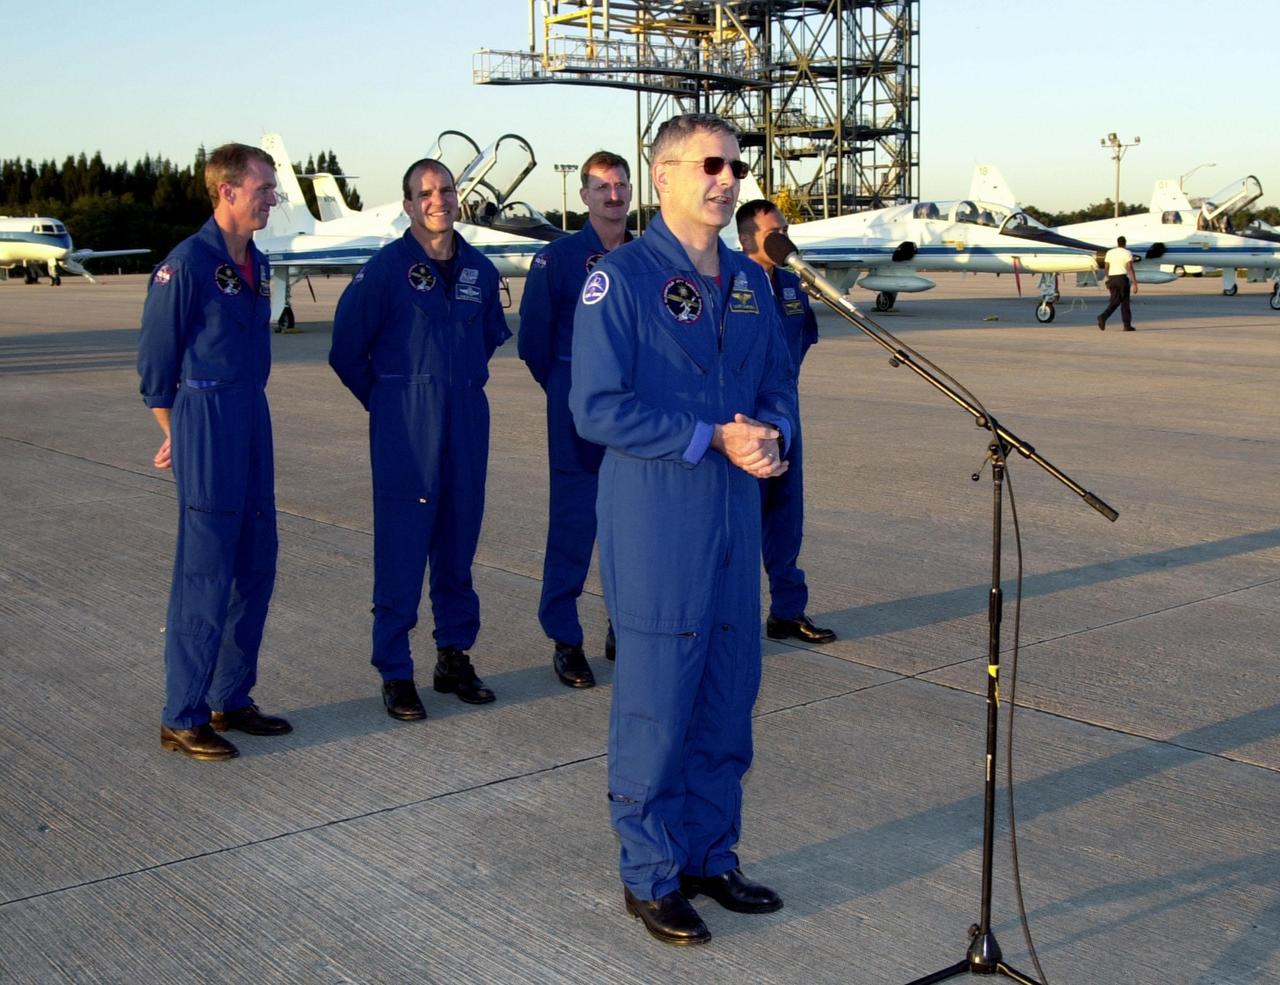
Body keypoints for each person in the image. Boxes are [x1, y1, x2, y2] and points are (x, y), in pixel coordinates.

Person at [570, 113, 798, 946]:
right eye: (709, 164)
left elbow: (776, 380)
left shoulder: (748, 280)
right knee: (659, 701)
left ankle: (709, 852)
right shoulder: (621, 280)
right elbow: (595, 406)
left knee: (728, 692)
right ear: (660, 176)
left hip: (737, 512)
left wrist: (774, 432)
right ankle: (650, 873)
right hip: (660, 512)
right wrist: (709, 437)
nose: (726, 179)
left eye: (735, 165)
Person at [329, 158, 511, 721]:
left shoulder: (480, 269)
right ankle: (395, 670)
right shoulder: (385, 270)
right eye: (425, 192)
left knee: (458, 543)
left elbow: (486, 341)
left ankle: (453, 656)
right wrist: (391, 403)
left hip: (466, 421)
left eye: (446, 190)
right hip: (406, 427)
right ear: (408, 204)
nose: (439, 200)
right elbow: (346, 352)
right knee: (404, 547)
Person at [137, 142, 293, 761]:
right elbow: (155, 367)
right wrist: (178, 429)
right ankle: (183, 714)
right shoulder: (186, 265)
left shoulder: (254, 262)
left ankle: (232, 696)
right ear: (227, 191)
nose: (272, 198)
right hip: (206, 414)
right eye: (263, 189)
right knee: (205, 569)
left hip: (250, 412)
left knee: (257, 559)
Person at [518, 150, 632, 689]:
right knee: (573, 524)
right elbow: (534, 342)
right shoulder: (559, 259)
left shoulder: (646, 257)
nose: (613, 195)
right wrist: (571, 390)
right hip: (576, 414)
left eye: (621, 185)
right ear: (583, 196)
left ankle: (625, 627)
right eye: (602, 187)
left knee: (633, 526)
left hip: (637, 412)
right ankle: (566, 638)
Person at [735, 200, 837, 646]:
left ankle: (787, 612)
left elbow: (803, 338)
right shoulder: (727, 280)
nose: (784, 237)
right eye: (773, 231)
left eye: (785, 229)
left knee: (786, 518)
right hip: (742, 421)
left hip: (786, 416)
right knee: (739, 523)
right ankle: (732, 619)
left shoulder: (794, 284)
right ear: (745, 239)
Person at [1098, 235, 1137, 331]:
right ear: (1125, 243)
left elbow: (1106, 267)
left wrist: (1108, 279)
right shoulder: (1127, 253)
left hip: (1112, 278)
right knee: (1124, 302)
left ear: (1117, 243)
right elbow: (1129, 268)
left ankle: (1125, 324)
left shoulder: (1110, 252)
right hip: (1122, 279)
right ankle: (1104, 317)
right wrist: (1135, 283)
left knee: (1115, 301)